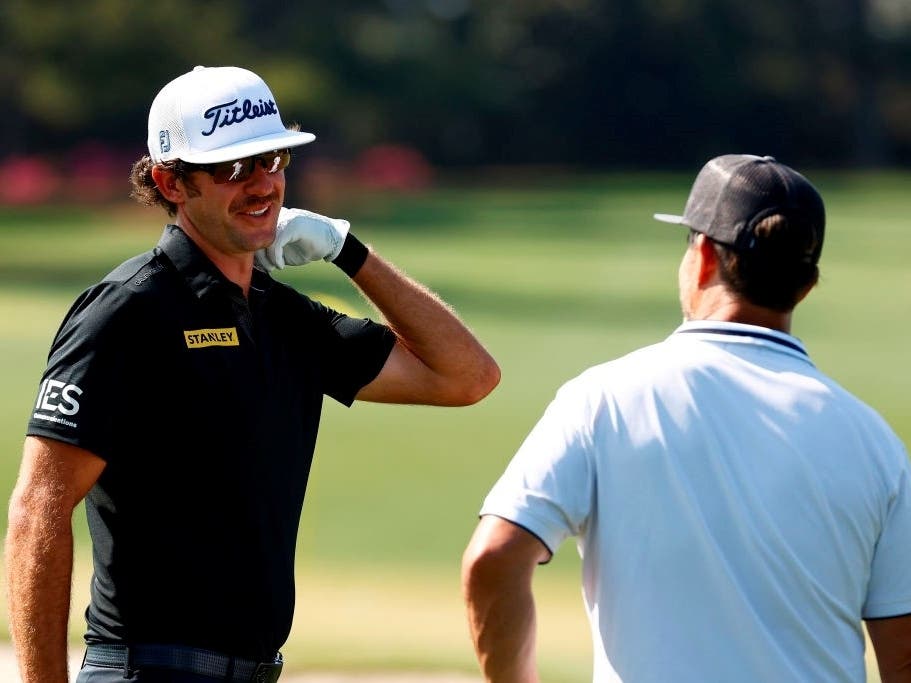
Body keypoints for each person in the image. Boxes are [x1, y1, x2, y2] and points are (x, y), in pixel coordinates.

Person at [5, 65, 500, 683]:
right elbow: (38, 511)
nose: (262, 183)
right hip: (147, 669)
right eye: (232, 168)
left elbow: (466, 377)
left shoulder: (282, 316)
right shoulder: (128, 311)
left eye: (272, 159)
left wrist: (349, 251)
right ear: (171, 182)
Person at [461, 154, 911, 683]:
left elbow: (494, 558)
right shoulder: (875, 443)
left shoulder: (602, 398)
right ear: (806, 285)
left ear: (701, 256)